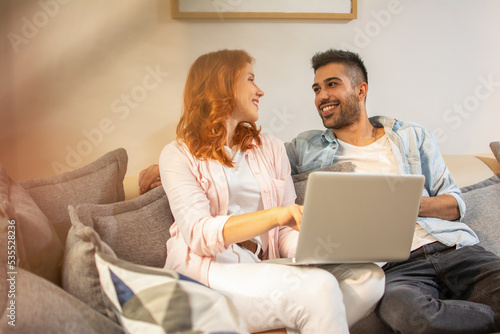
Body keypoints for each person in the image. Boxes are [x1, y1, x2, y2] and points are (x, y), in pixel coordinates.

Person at [141, 48, 500, 333]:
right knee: (405, 313)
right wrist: (168, 164)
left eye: (331, 85)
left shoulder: (411, 136)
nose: (320, 96)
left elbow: (456, 203)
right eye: (316, 89)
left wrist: (403, 205)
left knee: (367, 281)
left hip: (450, 245)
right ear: (221, 87)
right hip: (398, 265)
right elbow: (236, 179)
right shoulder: (304, 148)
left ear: (360, 90)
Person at [156, 49, 384, 334]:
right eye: (250, 79)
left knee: (369, 276)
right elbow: (200, 235)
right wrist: (276, 216)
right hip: (209, 272)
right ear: (223, 85)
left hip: (260, 264)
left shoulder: (271, 148)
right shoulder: (177, 154)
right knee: (319, 287)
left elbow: (285, 234)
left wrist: (321, 248)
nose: (260, 91)